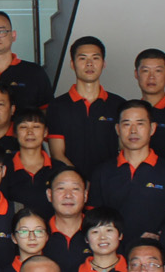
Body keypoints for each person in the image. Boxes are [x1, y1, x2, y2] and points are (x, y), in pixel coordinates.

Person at [87, 99, 165, 243]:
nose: (133, 131)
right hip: (113, 253)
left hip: (154, 252)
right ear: (117, 129)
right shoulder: (102, 172)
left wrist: (162, 238)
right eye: (127, 124)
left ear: (152, 128)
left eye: (140, 124)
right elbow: (93, 221)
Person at [44, 36, 122, 179]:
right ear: (72, 64)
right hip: (73, 186)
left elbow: (125, 149)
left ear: (103, 63)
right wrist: (80, 183)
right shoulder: (57, 106)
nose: (89, 64)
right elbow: (57, 154)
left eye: (95, 58)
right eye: (82, 58)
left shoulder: (119, 104)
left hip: (110, 183)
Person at [132, 50, 165, 160]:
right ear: (136, 74)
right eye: (145, 71)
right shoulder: (131, 113)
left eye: (158, 71)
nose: (151, 77)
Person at [5, 108, 56, 216]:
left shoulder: (58, 169)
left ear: (45, 132)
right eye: (23, 127)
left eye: (36, 127)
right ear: (14, 132)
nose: (30, 132)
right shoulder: (4, 169)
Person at [43, 168, 90, 272]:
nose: (68, 195)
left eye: (75, 189)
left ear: (85, 195)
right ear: (49, 195)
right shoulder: (39, 233)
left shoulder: (99, 232)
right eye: (61, 188)